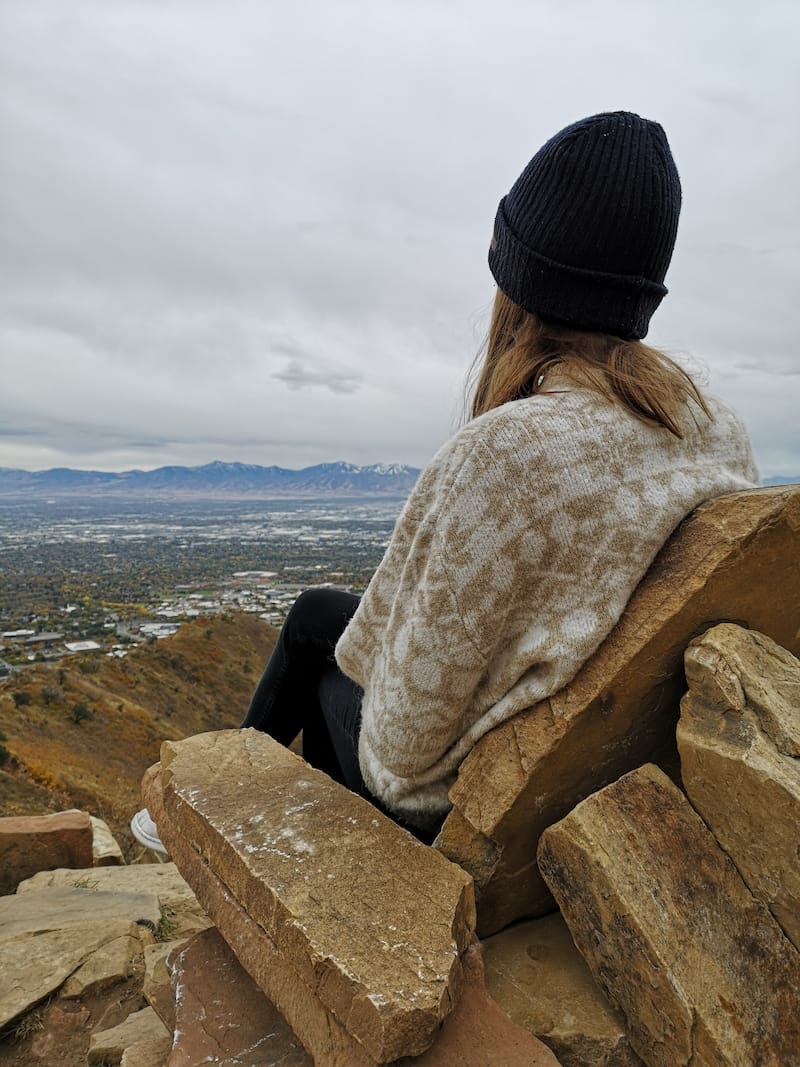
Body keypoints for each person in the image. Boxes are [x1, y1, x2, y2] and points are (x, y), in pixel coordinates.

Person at [132, 110, 757, 854]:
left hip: (455, 801)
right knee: (317, 615)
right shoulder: (712, 425)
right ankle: (220, 801)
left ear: (520, 282)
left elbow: (400, 762)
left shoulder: (504, 453)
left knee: (317, 638)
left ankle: (272, 842)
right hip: (603, 748)